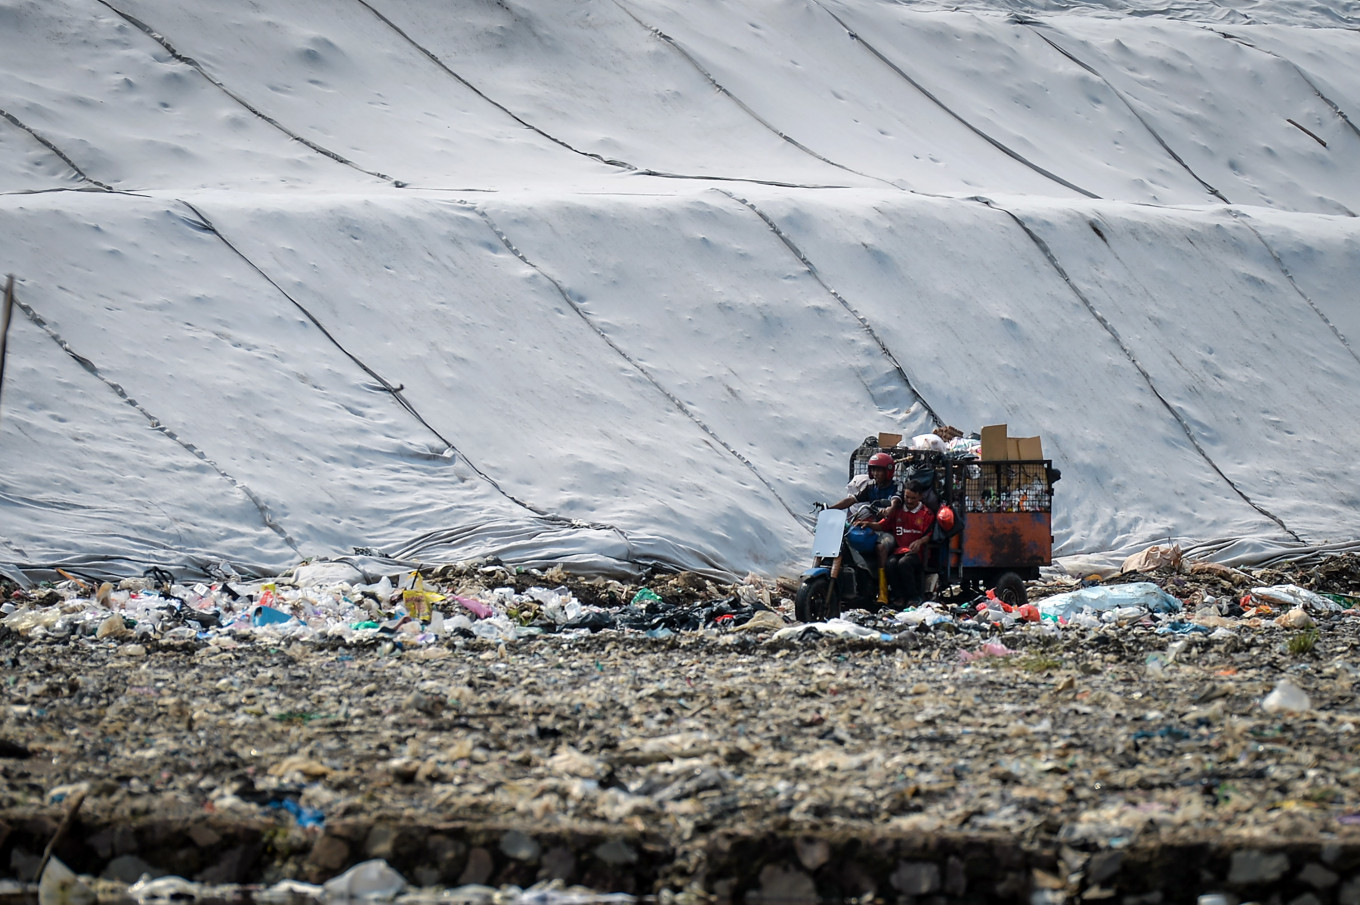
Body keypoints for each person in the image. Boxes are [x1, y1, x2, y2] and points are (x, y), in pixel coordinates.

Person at [820, 452, 900, 604]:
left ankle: (883, 591)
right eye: (874, 470)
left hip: (889, 530)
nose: (876, 473)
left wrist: (888, 510)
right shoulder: (871, 487)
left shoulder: (896, 487)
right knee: (848, 538)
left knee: (881, 548)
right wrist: (830, 508)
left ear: (888, 471)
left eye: (880, 470)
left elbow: (895, 501)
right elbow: (851, 500)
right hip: (872, 526)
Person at [873, 484, 936, 606]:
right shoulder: (898, 511)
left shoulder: (926, 514)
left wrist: (920, 541)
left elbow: (930, 534)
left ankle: (914, 597)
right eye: (907, 497)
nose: (909, 501)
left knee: (904, 563)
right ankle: (898, 597)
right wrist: (866, 524)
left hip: (918, 553)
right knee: (890, 564)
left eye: (913, 498)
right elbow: (882, 525)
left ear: (920, 497)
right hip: (900, 550)